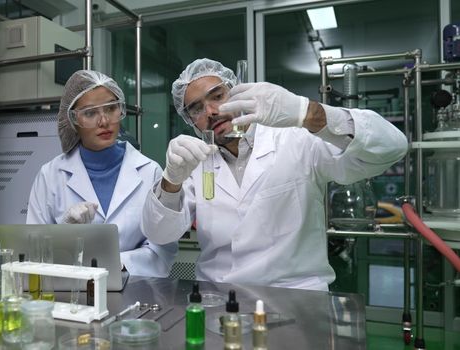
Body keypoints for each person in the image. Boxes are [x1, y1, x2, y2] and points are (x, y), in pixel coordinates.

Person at [141, 58, 408, 290]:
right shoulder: (194, 161)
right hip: (219, 298)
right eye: (196, 108)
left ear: (237, 93)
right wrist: (171, 180)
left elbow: (391, 148)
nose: (211, 112)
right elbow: (161, 234)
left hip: (295, 297)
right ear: (190, 121)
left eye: (217, 96)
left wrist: (308, 112)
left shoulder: (296, 140)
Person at [26, 70, 177, 277]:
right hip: (72, 297)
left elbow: (163, 249)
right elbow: (33, 253)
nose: (104, 121)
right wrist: (64, 235)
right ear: (73, 120)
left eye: (111, 108)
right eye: (90, 113)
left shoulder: (149, 171)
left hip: (137, 293)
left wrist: (115, 263)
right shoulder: (50, 175)